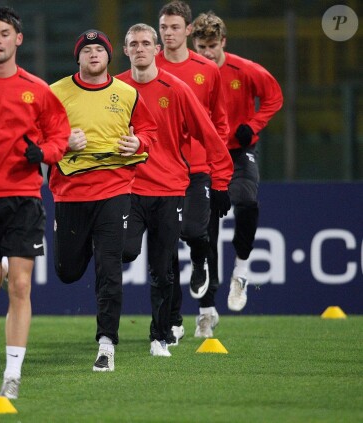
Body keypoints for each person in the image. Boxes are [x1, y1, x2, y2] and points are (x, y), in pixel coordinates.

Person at [0, 7, 70, 399]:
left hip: (24, 197)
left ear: (17, 39)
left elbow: (61, 137)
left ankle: (12, 374)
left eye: (4, 33)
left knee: (20, 287)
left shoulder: (38, 89)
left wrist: (42, 153)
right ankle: (4, 266)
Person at [116, 23, 232, 356]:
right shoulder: (115, 89)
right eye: (133, 43)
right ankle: (112, 332)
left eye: (145, 43)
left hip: (169, 186)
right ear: (126, 51)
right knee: (123, 252)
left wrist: (221, 180)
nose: (139, 48)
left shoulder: (177, 89)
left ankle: (162, 332)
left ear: (156, 50)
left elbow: (209, 134)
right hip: (128, 187)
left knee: (163, 264)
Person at [49, 29, 157, 371]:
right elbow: (36, 135)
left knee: (109, 268)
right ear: (77, 58)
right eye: (86, 50)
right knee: (67, 271)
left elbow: (149, 132)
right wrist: (63, 141)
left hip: (115, 189)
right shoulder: (55, 93)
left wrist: (137, 144)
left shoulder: (127, 93)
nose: (93, 54)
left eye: (99, 50)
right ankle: (81, 250)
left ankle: (107, 343)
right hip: (70, 192)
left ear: (110, 57)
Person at [191, 11, 283, 329]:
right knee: (206, 228)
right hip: (203, 156)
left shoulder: (243, 70)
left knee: (246, 201)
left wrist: (252, 125)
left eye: (212, 45)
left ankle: (241, 273)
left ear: (223, 42)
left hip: (239, 152)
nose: (206, 53)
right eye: (201, 46)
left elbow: (273, 96)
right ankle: (206, 311)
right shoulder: (189, 74)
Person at [157, 0, 232, 342]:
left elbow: (220, 126)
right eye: (164, 27)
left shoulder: (208, 70)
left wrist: (221, 177)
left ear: (188, 30)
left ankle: (200, 265)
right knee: (165, 246)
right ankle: (173, 319)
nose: (168, 33)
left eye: (175, 27)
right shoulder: (147, 65)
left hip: (198, 169)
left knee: (195, 232)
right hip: (158, 171)